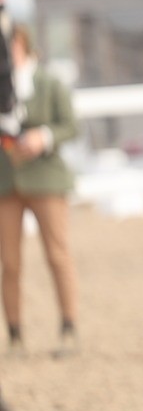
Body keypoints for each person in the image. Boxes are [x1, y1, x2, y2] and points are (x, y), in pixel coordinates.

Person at [0, 24, 80, 357]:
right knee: (10, 262)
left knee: (57, 255)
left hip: (45, 178)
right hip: (6, 181)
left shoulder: (48, 84)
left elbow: (71, 125)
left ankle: (68, 328)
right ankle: (15, 334)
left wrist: (43, 137)